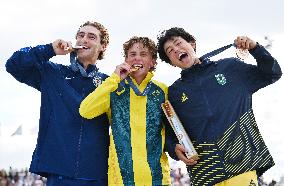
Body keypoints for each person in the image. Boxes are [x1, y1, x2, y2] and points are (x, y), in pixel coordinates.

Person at [157, 27, 282, 186]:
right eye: (170, 51)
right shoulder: (173, 93)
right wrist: (173, 147)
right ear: (172, 63)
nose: (176, 50)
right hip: (205, 173)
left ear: (192, 44)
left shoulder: (230, 67)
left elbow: (272, 73)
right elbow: (167, 131)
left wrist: (255, 48)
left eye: (178, 43)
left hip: (242, 165)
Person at [6, 21, 110, 186]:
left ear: (103, 46)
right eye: (80, 35)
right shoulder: (53, 73)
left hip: (97, 175)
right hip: (59, 174)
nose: (84, 40)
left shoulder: (109, 83)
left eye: (91, 37)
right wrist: (49, 49)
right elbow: (13, 64)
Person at [79, 36, 171, 185]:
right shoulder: (113, 87)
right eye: (132, 54)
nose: (137, 59)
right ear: (126, 60)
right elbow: (85, 110)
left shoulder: (162, 90)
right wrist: (114, 78)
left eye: (143, 54)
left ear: (153, 61)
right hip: (121, 179)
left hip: (157, 179)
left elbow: (173, 129)